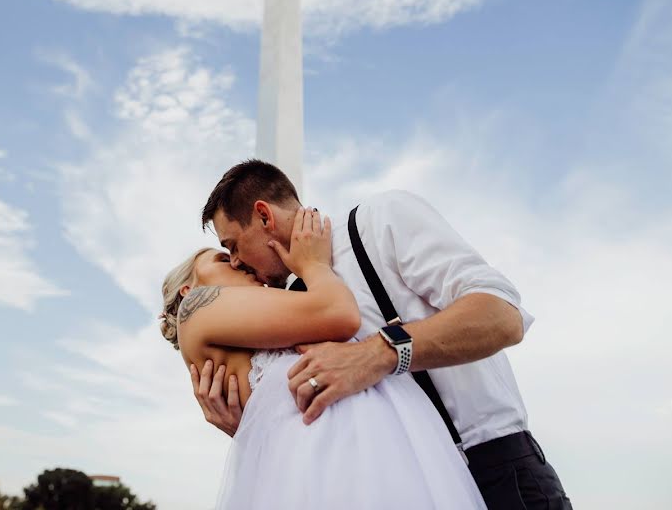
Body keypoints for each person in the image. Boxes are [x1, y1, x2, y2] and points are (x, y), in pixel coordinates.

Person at [192, 159, 573, 509]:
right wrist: (250, 427)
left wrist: (380, 354)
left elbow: (502, 315)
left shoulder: (378, 221)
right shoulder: (288, 300)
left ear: (263, 216)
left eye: (233, 246)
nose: (236, 262)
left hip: (498, 473)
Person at [161, 206, 486, 509]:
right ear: (188, 291)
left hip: (361, 461)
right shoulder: (198, 307)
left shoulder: (254, 326)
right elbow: (340, 314)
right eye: (221, 258)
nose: (235, 262)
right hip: (335, 470)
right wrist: (314, 265)